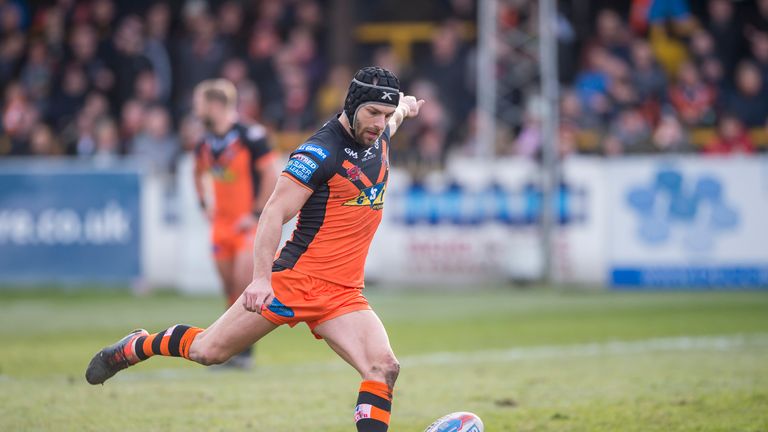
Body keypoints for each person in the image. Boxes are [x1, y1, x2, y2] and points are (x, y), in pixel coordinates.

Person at [86, 66, 424, 432]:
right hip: (295, 281)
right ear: (353, 105)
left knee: (383, 367)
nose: (379, 123)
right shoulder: (319, 152)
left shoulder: (380, 134)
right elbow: (273, 212)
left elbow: (394, 119)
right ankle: (140, 345)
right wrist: (261, 279)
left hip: (343, 293)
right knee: (208, 351)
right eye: (373, 113)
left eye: (385, 115)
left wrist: (403, 107)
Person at [191, 78, 278, 368]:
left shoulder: (250, 135)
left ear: (216, 105)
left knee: (245, 283)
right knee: (230, 287)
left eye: (200, 103)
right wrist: (204, 203)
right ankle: (231, 348)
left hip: (247, 225)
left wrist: (254, 213)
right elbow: (197, 173)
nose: (196, 109)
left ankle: (245, 351)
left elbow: (269, 174)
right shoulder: (205, 142)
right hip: (221, 226)